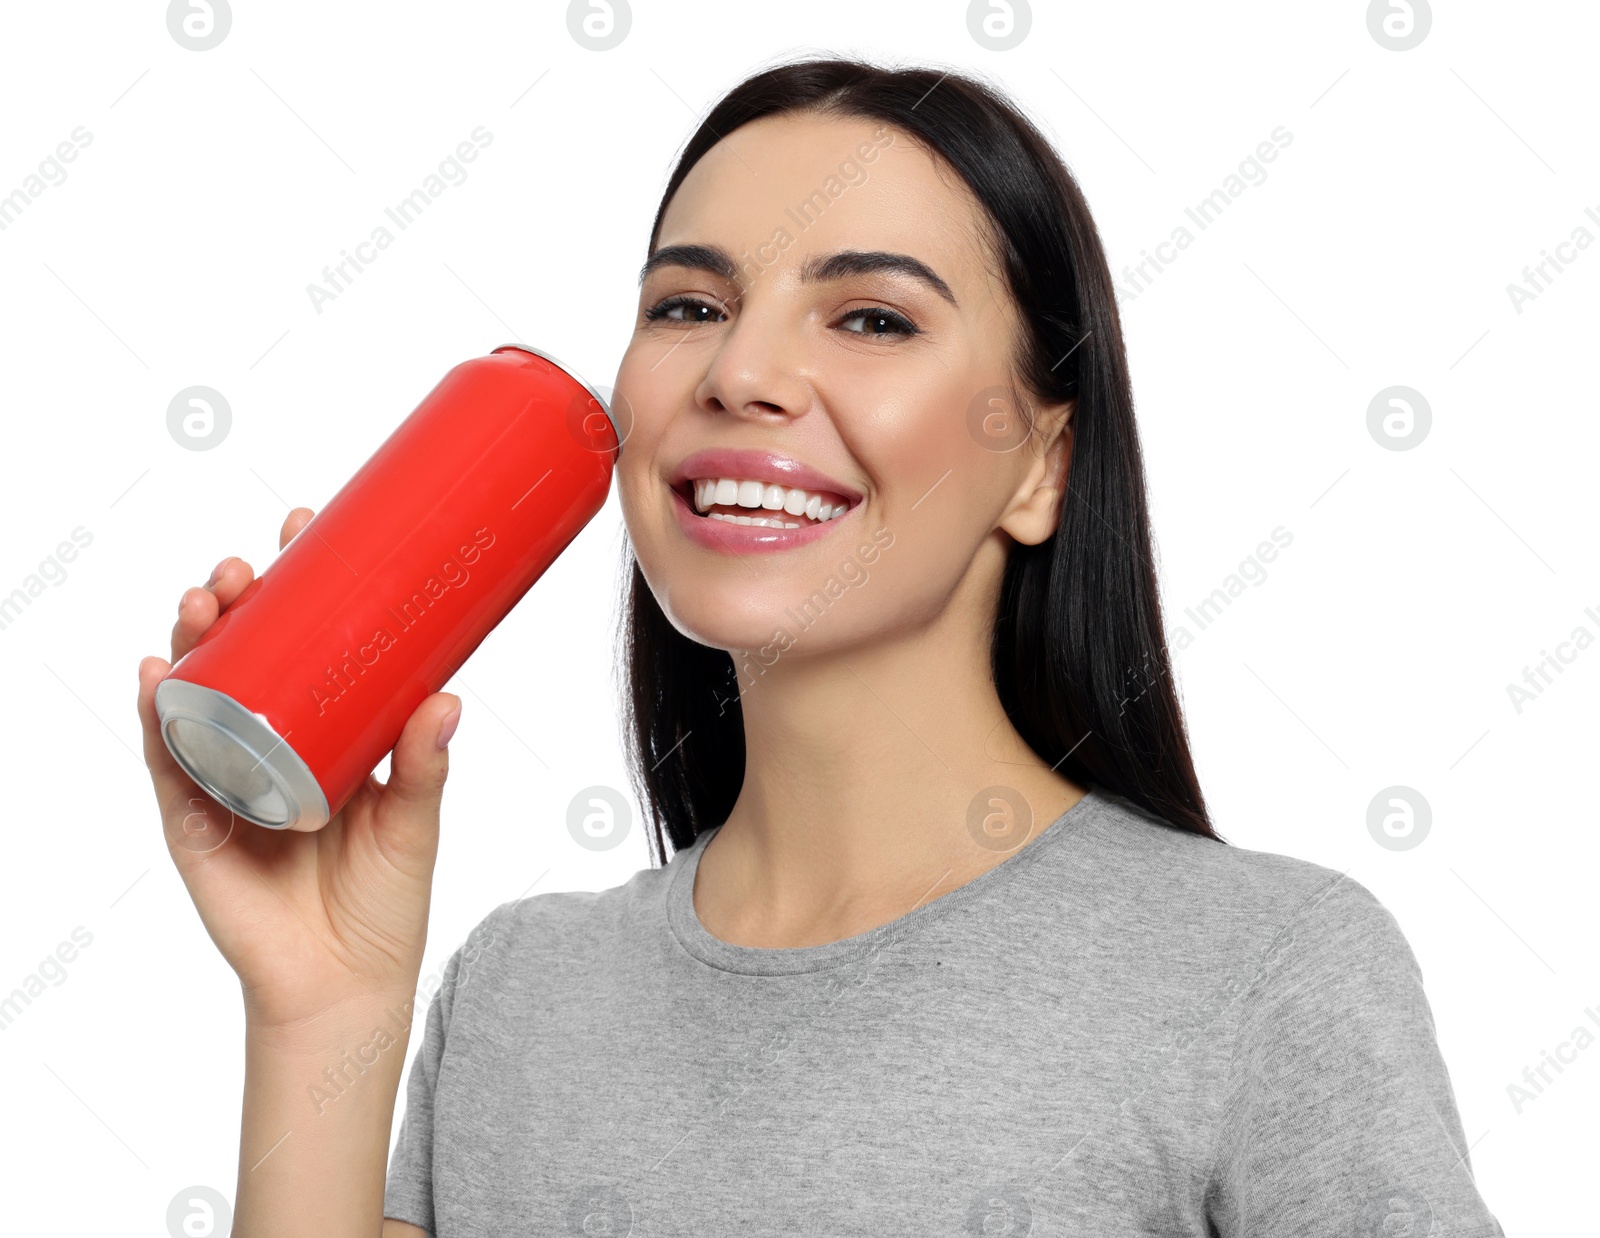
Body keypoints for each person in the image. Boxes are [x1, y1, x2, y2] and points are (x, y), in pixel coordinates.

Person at [138, 56, 1505, 1236]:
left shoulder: (1266, 970)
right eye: (688, 304)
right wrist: (322, 1008)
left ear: (1040, 461)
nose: (740, 370)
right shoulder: (522, 991)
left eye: (871, 317)